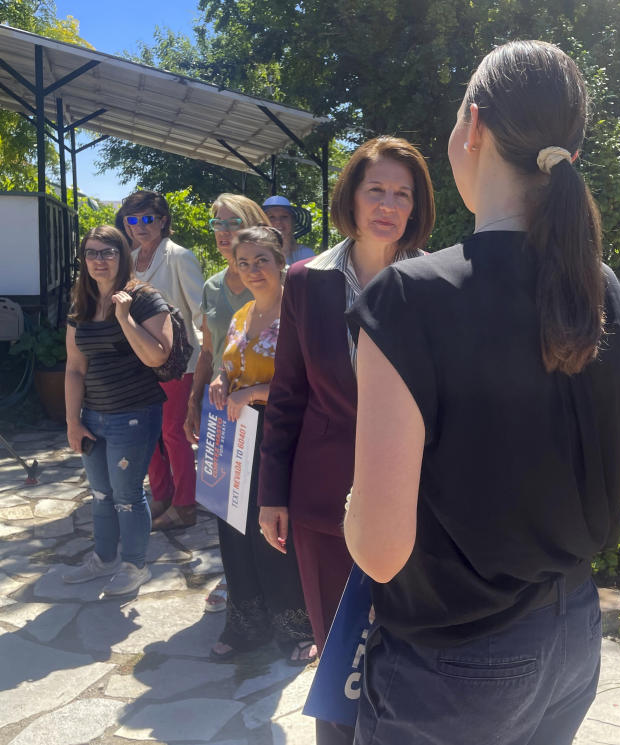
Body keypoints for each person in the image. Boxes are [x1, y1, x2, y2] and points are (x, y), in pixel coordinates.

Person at [344, 41, 620, 744]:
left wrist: (351, 507)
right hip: (573, 637)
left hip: (453, 669)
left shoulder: (406, 298)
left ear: (473, 127)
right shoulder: (597, 285)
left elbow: (380, 550)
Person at [257, 136, 435, 744]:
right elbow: (287, 393)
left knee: (407, 652)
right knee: (338, 655)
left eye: (402, 194)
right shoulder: (307, 282)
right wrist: (270, 492)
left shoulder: (434, 282)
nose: (388, 205)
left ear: (416, 207)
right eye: (376, 190)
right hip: (323, 501)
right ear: (351, 197)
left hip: (415, 499)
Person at [204, 225, 314, 662]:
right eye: (243, 262)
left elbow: (307, 382)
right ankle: (246, 622)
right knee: (233, 528)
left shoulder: (299, 315)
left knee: (275, 528)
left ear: (280, 261)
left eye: (261, 261)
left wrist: (252, 393)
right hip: (236, 434)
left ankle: (298, 626)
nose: (252, 271)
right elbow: (228, 366)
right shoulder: (240, 315)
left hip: (280, 433)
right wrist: (220, 380)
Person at [63, 226, 173, 596]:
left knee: (127, 495)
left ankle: (135, 565)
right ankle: (104, 559)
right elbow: (74, 367)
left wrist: (124, 318)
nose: (98, 260)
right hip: (93, 415)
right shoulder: (81, 301)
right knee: (100, 494)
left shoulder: (144, 298)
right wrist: (72, 421)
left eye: (107, 252)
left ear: (122, 256)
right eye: (91, 253)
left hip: (134, 413)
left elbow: (158, 354)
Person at [183, 194, 270, 613]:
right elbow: (207, 350)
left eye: (231, 222)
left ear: (251, 225)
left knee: (263, 499)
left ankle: (272, 583)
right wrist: (193, 401)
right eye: (216, 224)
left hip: (266, 404)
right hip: (222, 406)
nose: (222, 232)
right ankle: (234, 577)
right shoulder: (213, 285)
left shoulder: (272, 279)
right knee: (226, 499)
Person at [121, 190, 205, 531]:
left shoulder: (179, 257)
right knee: (148, 432)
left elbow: (200, 309)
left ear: (163, 221)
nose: (141, 226)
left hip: (177, 360)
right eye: (133, 219)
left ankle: (185, 504)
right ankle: (161, 494)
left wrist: (208, 361)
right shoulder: (129, 258)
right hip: (140, 358)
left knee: (174, 433)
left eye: (148, 219)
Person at [262, 195, 316, 265]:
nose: (278, 222)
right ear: (264, 222)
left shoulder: (306, 254)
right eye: (271, 217)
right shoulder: (256, 254)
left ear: (292, 221)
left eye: (284, 217)